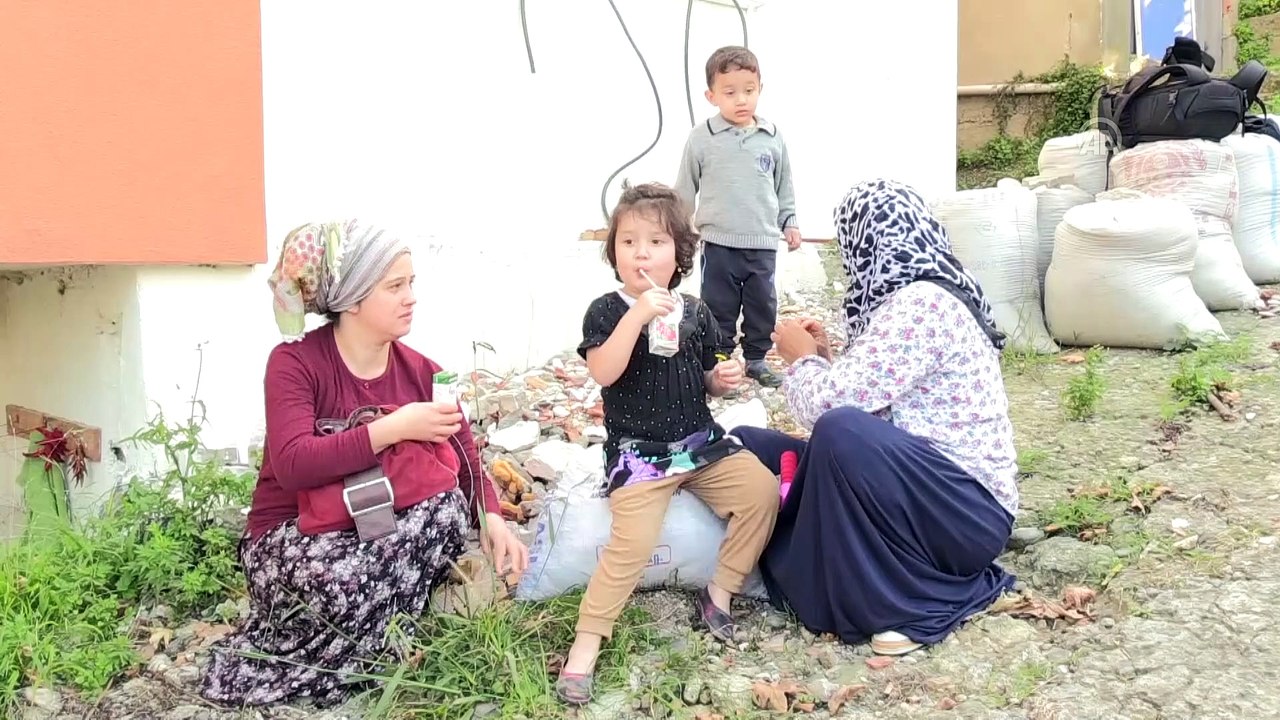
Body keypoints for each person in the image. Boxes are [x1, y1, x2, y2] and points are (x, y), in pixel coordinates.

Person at [201, 220, 529, 707]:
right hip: (295, 536)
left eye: (411, 283)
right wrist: (393, 429)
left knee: (444, 510)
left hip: (377, 527)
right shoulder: (294, 364)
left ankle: (369, 638)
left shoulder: (423, 372)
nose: (410, 297)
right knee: (343, 579)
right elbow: (292, 465)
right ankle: (363, 645)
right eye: (394, 286)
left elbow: (465, 459)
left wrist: (493, 518)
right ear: (352, 299)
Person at [732, 178, 1019, 656]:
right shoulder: (911, 300)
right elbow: (876, 400)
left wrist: (800, 360)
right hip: (925, 495)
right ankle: (782, 558)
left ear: (867, 244)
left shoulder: (923, 303)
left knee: (838, 431)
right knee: (750, 443)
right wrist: (823, 355)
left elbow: (829, 410)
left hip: (966, 512)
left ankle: (918, 601)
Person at [556, 183, 780, 705]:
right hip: (639, 451)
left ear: (679, 253)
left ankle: (719, 592)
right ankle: (586, 644)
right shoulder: (606, 311)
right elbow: (604, 373)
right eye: (628, 241)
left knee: (762, 492)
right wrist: (637, 315)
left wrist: (720, 382)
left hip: (698, 441)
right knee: (631, 543)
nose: (640, 252)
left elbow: (704, 375)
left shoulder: (696, 311)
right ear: (613, 252)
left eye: (655, 241)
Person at [674, 45, 801, 389]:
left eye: (749, 90)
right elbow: (685, 188)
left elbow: (783, 186)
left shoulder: (772, 138)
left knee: (762, 304)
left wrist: (789, 221)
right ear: (711, 95)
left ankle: (757, 360)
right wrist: (678, 229)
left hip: (761, 241)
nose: (741, 99)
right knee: (718, 306)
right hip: (718, 242)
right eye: (730, 93)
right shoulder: (702, 138)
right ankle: (720, 364)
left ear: (761, 88)